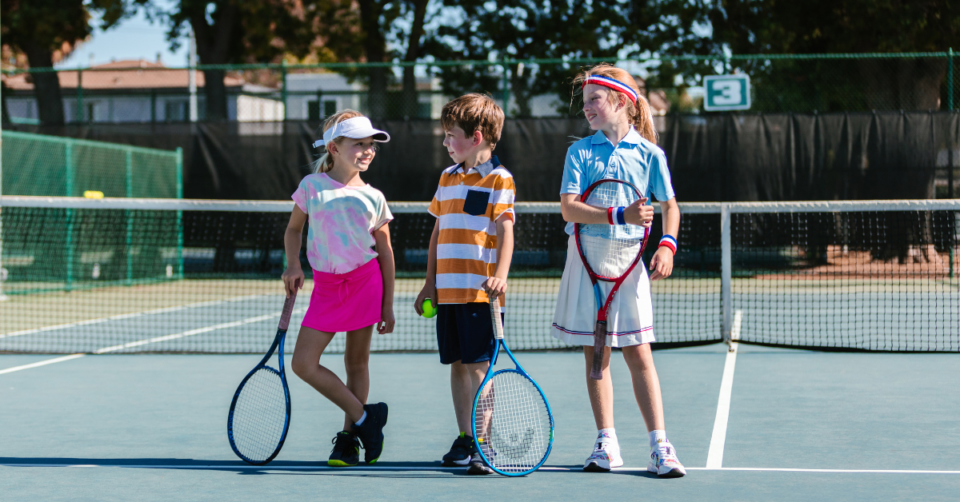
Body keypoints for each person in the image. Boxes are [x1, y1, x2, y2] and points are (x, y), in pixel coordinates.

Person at [552, 64, 686, 477]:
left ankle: (660, 446)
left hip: (629, 265)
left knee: (639, 353)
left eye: (595, 99)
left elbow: (669, 206)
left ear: (622, 102)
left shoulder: (649, 154)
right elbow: (569, 207)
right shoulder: (580, 151)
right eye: (585, 100)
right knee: (597, 356)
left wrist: (667, 243)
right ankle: (606, 441)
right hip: (587, 262)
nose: (587, 107)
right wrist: (618, 214)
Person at [282, 110, 396, 467]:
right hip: (326, 288)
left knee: (356, 362)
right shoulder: (311, 187)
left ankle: (349, 440)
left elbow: (386, 253)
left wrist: (388, 304)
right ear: (334, 148)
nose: (367, 150)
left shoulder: (375, 196)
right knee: (303, 363)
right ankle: (366, 418)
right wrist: (294, 263)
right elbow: (293, 231)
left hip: (365, 283)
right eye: (358, 144)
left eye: (370, 145)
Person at [414, 93, 515, 475]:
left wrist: (501, 276)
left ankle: (484, 444)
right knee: (457, 366)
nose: (444, 142)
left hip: (480, 294)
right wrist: (429, 283)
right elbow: (438, 233)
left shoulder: (499, 179)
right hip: (448, 292)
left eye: (449, 135)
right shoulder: (447, 177)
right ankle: (466, 438)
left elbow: (506, 230)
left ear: (475, 136)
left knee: (478, 370)